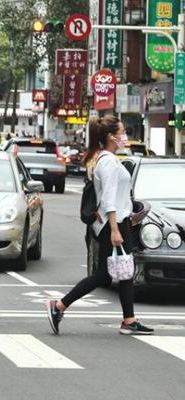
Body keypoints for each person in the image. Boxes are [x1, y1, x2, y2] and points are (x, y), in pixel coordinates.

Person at [46, 116, 154, 336]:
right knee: (116, 273)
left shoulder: (109, 159)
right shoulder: (107, 162)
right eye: (122, 132)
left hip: (117, 222)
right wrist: (115, 229)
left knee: (115, 273)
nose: (125, 136)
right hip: (112, 224)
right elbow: (108, 200)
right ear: (111, 136)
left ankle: (127, 319)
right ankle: (60, 307)